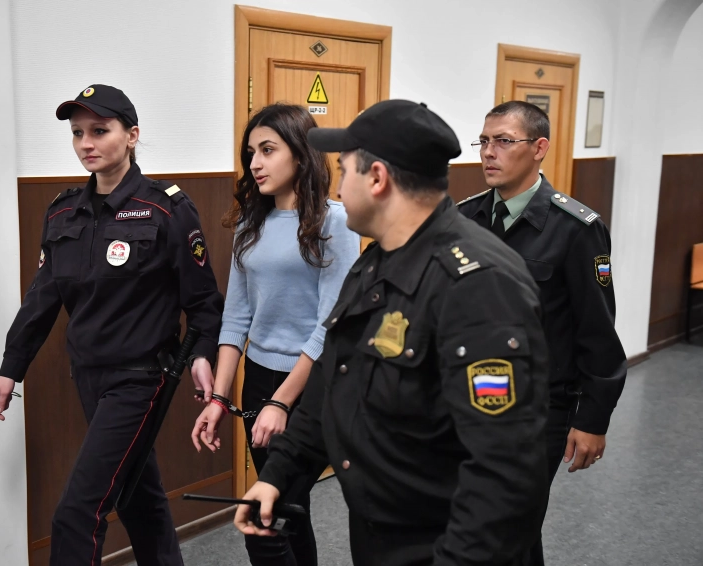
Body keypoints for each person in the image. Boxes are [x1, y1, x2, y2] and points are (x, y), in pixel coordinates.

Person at [233, 99, 551, 566]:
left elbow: (504, 473)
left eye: (345, 171)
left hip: (444, 546)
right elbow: (330, 383)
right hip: (382, 534)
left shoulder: (479, 285)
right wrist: (278, 475)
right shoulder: (374, 264)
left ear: (377, 179)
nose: (337, 186)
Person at [0, 84, 223, 566]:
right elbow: (42, 299)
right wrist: (11, 368)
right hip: (88, 377)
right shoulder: (62, 211)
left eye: (99, 130)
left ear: (131, 135)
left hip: (140, 379)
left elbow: (202, 300)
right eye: (77, 133)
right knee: (139, 496)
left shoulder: (167, 207)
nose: (86, 143)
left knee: (77, 513)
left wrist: (202, 355)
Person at [457, 100, 627, 565]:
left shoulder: (577, 229)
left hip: (539, 410)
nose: (488, 152)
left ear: (539, 148)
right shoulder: (466, 219)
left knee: (511, 525)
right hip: (469, 399)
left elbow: (598, 332)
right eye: (484, 141)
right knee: (486, 525)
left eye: (503, 141)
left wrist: (593, 419)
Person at [191, 103, 359, 566]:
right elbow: (235, 318)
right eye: (251, 153)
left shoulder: (336, 222)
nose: (255, 163)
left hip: (309, 384)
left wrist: (282, 403)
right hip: (259, 378)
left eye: (268, 150)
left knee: (266, 517)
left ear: (301, 155)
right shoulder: (251, 222)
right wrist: (219, 398)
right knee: (290, 513)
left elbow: (329, 325)